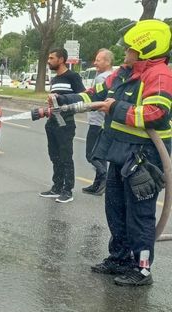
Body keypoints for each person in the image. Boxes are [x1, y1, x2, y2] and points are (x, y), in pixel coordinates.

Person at [56, 19, 172, 286]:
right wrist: (63, 101)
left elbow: (156, 114)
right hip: (121, 152)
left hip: (145, 156)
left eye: (131, 48)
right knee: (116, 208)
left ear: (146, 48)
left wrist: (115, 108)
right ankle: (119, 257)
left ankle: (141, 268)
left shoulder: (159, 75)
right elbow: (93, 94)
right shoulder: (123, 73)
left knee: (139, 213)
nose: (126, 52)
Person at [39, 48, 86, 203]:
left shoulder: (73, 77)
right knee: (54, 155)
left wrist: (62, 98)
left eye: (52, 58)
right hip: (52, 121)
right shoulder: (55, 79)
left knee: (66, 157)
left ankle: (68, 190)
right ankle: (57, 186)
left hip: (65, 123)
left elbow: (82, 97)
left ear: (61, 59)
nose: (49, 61)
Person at [82, 48, 114, 196]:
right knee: (100, 155)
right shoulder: (112, 76)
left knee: (91, 155)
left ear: (107, 62)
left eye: (98, 60)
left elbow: (96, 99)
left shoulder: (102, 78)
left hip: (97, 123)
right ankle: (98, 185)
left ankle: (104, 179)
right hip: (105, 123)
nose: (95, 63)